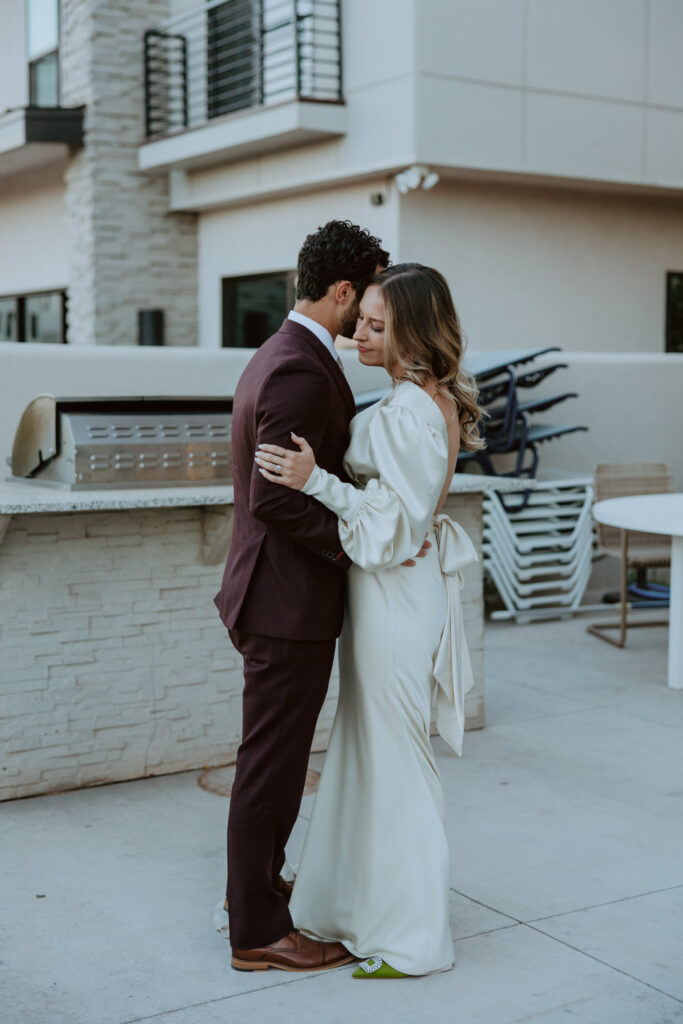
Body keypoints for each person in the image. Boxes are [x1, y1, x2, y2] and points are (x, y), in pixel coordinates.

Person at [254, 263, 485, 978]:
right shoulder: (414, 399)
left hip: (394, 597)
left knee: (397, 765)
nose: (359, 333)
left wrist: (315, 480)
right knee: (366, 758)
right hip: (385, 595)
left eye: (378, 326)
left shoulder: (415, 410)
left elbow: (392, 527)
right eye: (362, 320)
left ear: (414, 332)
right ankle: (360, 910)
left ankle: (413, 939)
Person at [213, 220, 391, 973]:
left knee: (274, 762)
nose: (372, 317)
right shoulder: (297, 369)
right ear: (344, 292)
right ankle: (257, 931)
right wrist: (357, 538)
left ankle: (256, 890)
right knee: (272, 767)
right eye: (370, 299)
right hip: (285, 602)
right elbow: (275, 498)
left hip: (277, 597)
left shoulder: (285, 353)